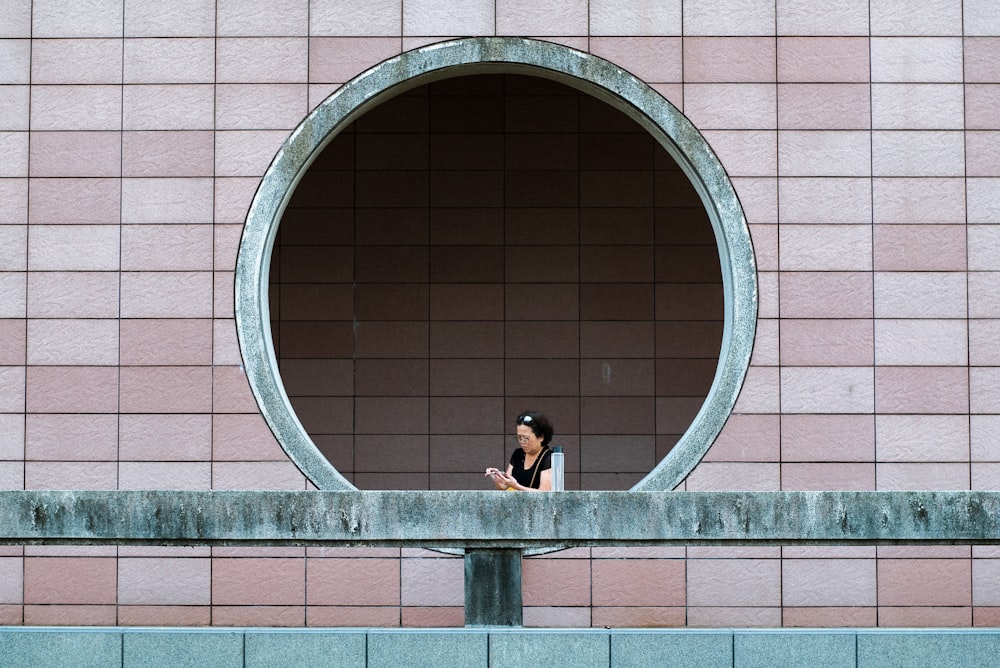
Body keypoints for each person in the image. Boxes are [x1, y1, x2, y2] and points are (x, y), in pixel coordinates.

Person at [485, 412, 553, 491]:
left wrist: (516, 486)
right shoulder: (518, 454)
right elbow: (503, 486)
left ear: (541, 437)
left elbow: (545, 494)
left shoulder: (549, 457)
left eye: (526, 438)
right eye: (519, 438)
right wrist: (497, 477)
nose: (522, 442)